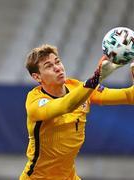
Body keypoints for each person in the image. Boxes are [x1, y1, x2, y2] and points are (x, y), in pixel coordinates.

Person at [19, 44, 134, 180]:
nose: (57, 68)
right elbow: (66, 105)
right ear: (37, 77)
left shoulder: (78, 87)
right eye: (48, 66)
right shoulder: (34, 102)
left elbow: (128, 96)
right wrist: (96, 78)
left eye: (57, 62)